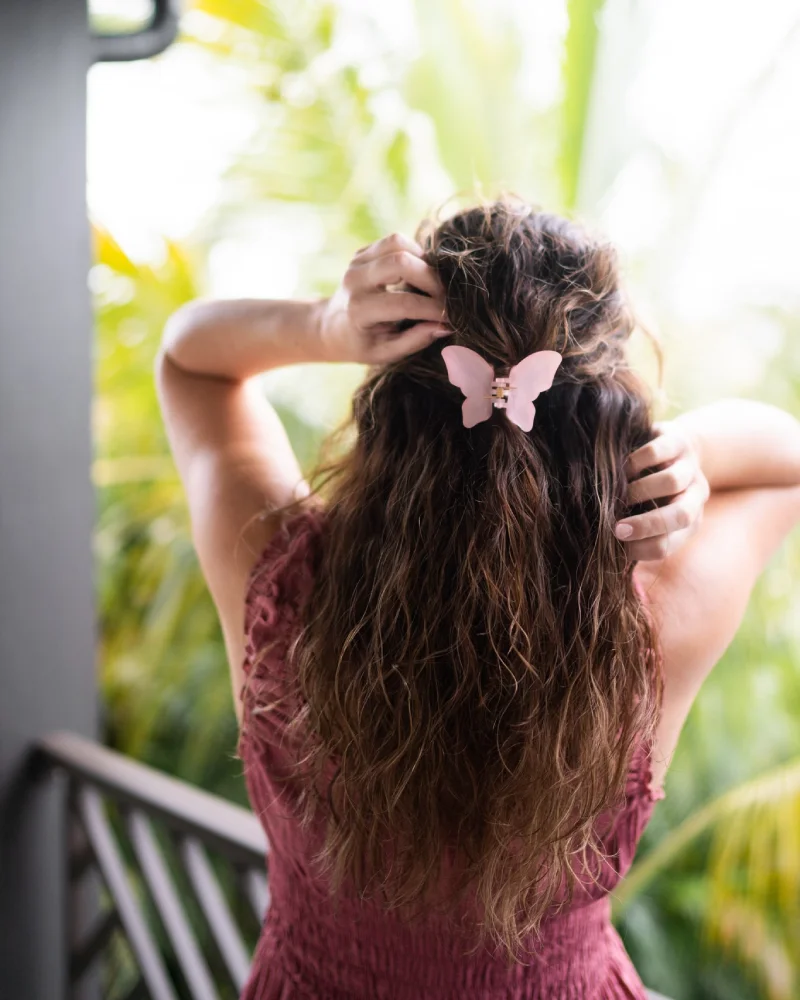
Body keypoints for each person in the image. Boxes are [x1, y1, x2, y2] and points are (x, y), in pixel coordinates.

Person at [155, 199, 800, 999]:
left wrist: (325, 324)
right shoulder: (657, 624)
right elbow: (789, 458)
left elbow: (189, 360)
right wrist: (691, 450)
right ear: (607, 418)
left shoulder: (279, 586)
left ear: (389, 404)